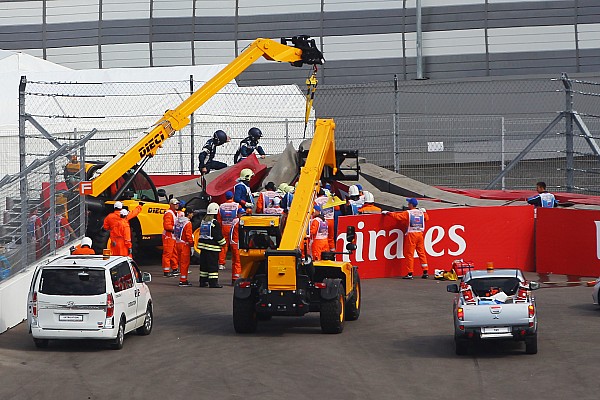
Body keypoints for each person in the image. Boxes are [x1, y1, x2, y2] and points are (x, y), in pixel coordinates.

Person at [383, 198, 429, 280]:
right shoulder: (421, 212)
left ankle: (410, 273)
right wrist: (424, 212)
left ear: (411, 205)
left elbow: (397, 216)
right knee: (421, 253)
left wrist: (388, 213)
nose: (407, 205)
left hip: (411, 235)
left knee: (409, 254)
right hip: (420, 234)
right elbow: (427, 219)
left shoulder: (408, 213)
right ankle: (425, 271)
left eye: (408, 204)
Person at [198, 202, 227, 288]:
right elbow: (218, 235)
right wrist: (223, 243)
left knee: (204, 266)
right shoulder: (215, 223)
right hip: (212, 249)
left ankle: (202, 281)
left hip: (203, 248)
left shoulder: (203, 222)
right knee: (213, 266)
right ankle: (213, 283)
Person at [217, 191, 239, 270]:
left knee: (223, 245)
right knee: (235, 245)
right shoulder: (237, 206)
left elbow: (219, 220)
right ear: (232, 197)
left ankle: (221, 263)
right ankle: (237, 261)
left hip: (224, 227)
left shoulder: (221, 206)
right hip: (234, 227)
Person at [174, 208, 195, 287]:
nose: (192, 215)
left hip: (178, 243)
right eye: (191, 213)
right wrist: (192, 245)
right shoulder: (187, 223)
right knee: (185, 263)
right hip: (184, 245)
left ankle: (183, 279)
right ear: (188, 214)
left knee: (180, 262)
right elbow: (189, 236)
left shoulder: (177, 221)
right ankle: (183, 280)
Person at [162, 198, 180, 277]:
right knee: (168, 254)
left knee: (174, 253)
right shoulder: (169, 213)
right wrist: (175, 228)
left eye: (177, 204)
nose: (177, 205)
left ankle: (175, 268)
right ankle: (166, 271)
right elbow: (167, 226)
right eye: (175, 204)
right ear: (171, 205)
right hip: (168, 236)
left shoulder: (175, 213)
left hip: (173, 236)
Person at [229, 207, 245, 285]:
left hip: (234, 242)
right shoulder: (239, 222)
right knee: (238, 261)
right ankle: (236, 278)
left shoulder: (234, 221)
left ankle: (234, 277)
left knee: (234, 261)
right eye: (242, 214)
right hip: (236, 243)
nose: (243, 215)